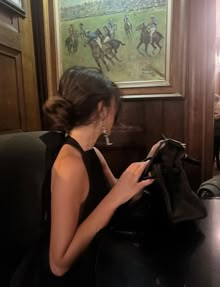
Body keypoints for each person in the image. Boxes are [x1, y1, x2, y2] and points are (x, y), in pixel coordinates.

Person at [11, 66, 161, 287]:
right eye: (114, 106)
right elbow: (58, 264)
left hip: (96, 252)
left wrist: (149, 163)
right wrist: (115, 198)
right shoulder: (69, 165)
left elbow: (119, 197)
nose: (116, 114)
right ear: (102, 109)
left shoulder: (92, 152)